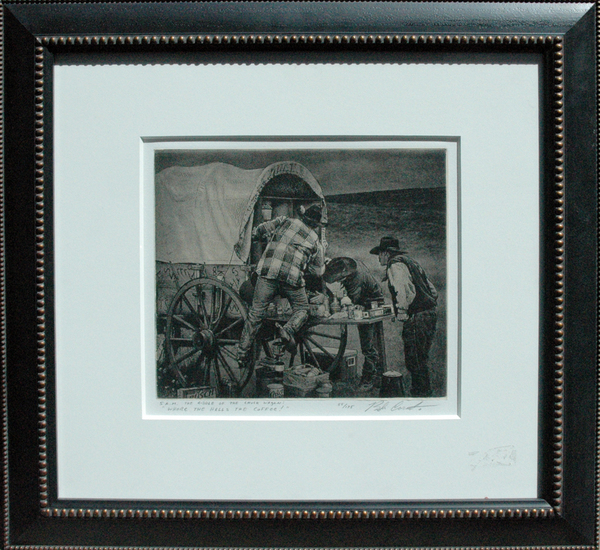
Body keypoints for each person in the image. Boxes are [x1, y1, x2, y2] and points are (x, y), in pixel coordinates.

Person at [237, 204, 326, 365]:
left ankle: (242, 352)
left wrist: (258, 236)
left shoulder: (284, 221)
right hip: (291, 278)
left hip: (267, 272)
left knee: (255, 314)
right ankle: (287, 330)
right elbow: (318, 271)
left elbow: (259, 230)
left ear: (303, 216)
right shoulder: (315, 241)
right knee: (302, 309)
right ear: (316, 225)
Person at [370, 236, 438, 397]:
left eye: (379, 254)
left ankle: (420, 393)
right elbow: (433, 291)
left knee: (415, 359)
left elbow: (403, 289)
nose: (379, 258)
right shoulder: (411, 263)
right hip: (429, 314)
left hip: (417, 317)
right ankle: (423, 392)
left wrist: (401, 311)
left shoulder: (395, 265)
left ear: (386, 253)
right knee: (421, 356)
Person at [323, 257, 384, 389]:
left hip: (369, 304)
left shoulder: (357, 279)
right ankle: (378, 377)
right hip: (363, 301)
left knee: (368, 346)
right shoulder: (349, 266)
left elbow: (354, 300)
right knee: (371, 345)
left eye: (338, 278)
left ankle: (369, 378)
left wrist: (341, 306)